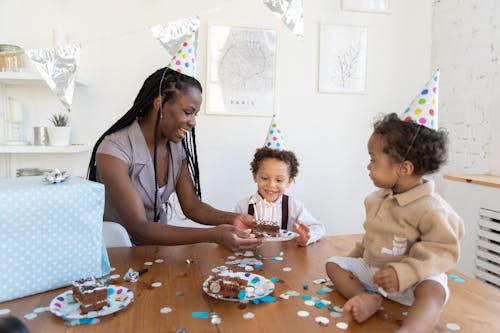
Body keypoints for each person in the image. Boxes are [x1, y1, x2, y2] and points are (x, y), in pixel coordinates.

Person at [87, 67, 262, 252]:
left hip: (155, 248)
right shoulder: (113, 150)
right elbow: (138, 227)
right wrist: (213, 235)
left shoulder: (176, 148)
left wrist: (233, 218)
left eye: (195, 114)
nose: (193, 122)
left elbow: (192, 205)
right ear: (159, 103)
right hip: (116, 252)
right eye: (188, 112)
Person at [325, 113, 464, 333]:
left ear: (404, 169)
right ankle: (363, 297)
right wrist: (350, 263)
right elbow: (370, 238)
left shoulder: (432, 208)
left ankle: (411, 329)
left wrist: (406, 273)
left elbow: (442, 251)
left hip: (413, 281)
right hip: (374, 274)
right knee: (333, 263)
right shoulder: (376, 199)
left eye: (373, 159)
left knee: (434, 288)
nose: (368, 166)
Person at [234, 114, 326, 246]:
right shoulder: (243, 206)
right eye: (265, 178)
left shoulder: (293, 206)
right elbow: (233, 233)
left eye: (279, 180)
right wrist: (240, 234)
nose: (271, 185)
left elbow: (319, 228)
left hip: (287, 258)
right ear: (255, 176)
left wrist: (306, 236)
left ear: (289, 181)